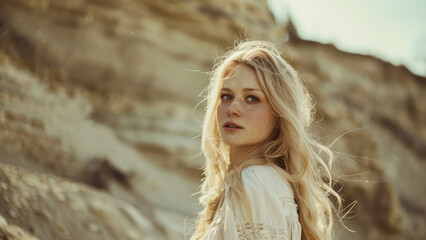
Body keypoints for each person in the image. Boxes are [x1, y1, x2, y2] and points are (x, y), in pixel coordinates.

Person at [190, 40, 342, 240]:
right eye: (226, 96)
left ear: (279, 115)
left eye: (252, 98)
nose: (232, 109)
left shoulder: (255, 181)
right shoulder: (254, 181)